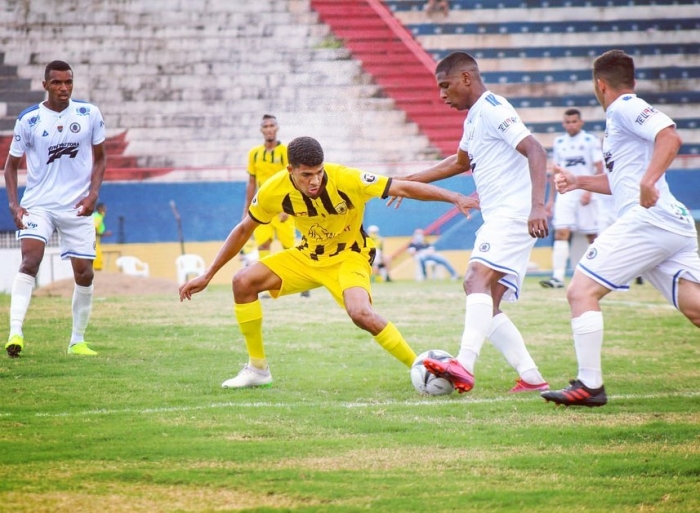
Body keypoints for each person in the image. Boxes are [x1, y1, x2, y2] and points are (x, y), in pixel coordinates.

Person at [179, 136, 479, 389]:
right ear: (290, 170)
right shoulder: (273, 189)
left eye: (318, 172)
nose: (314, 180)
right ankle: (257, 370)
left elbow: (402, 187)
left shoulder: (346, 178)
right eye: (306, 175)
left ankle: (422, 368)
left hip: (350, 255)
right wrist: (208, 274)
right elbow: (245, 228)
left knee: (361, 313)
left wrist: (454, 196)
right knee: (242, 282)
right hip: (307, 256)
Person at [541, 50, 700, 407]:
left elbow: (670, 136)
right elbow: (620, 181)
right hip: (669, 223)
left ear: (600, 85)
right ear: (633, 80)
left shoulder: (625, 106)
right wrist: (579, 179)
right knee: (696, 309)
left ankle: (590, 386)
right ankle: (589, 385)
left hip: (650, 220)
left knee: (580, 292)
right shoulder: (620, 120)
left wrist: (649, 179)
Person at [392, 51, 550, 394]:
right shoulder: (474, 118)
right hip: (503, 215)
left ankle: (463, 364)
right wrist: (409, 180)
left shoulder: (494, 109)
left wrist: (538, 206)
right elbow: (459, 162)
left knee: (474, 278)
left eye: (445, 86)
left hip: (513, 212)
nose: (442, 95)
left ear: (466, 78)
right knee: (488, 301)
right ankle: (532, 377)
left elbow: (536, 150)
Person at [4, 60, 107, 357]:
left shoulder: (89, 114)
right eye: (58, 83)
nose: (64, 88)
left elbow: (101, 158)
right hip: (39, 205)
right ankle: (15, 332)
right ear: (45, 85)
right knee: (30, 261)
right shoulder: (29, 119)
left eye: (69, 82)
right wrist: (14, 203)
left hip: (77, 206)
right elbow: (11, 166)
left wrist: (93, 195)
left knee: (85, 273)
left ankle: (77, 341)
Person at [244, 114, 309, 297]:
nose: (269, 129)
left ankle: (303, 284)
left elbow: (293, 177)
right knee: (263, 245)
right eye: (266, 126)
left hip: (284, 206)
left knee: (290, 247)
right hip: (263, 207)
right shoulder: (254, 153)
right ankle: (265, 287)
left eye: (272, 125)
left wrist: (288, 208)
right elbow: (251, 182)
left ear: (277, 128)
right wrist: (246, 209)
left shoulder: (286, 151)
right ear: (261, 130)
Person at [540, 109, 604, 289]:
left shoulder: (590, 140)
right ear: (563, 124)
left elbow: (599, 166)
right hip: (565, 193)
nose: (571, 125)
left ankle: (598, 274)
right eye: (567, 122)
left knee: (592, 234)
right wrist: (551, 199)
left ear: (580, 122)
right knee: (561, 231)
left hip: (585, 189)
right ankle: (558, 277)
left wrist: (590, 191)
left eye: (574, 121)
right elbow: (555, 170)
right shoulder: (559, 142)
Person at [92, 203, 112, 271]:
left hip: (94, 241)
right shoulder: (98, 217)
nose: (106, 210)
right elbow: (93, 230)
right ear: (100, 209)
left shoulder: (95, 216)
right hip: (94, 241)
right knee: (97, 258)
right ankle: (97, 274)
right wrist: (105, 234)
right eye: (104, 208)